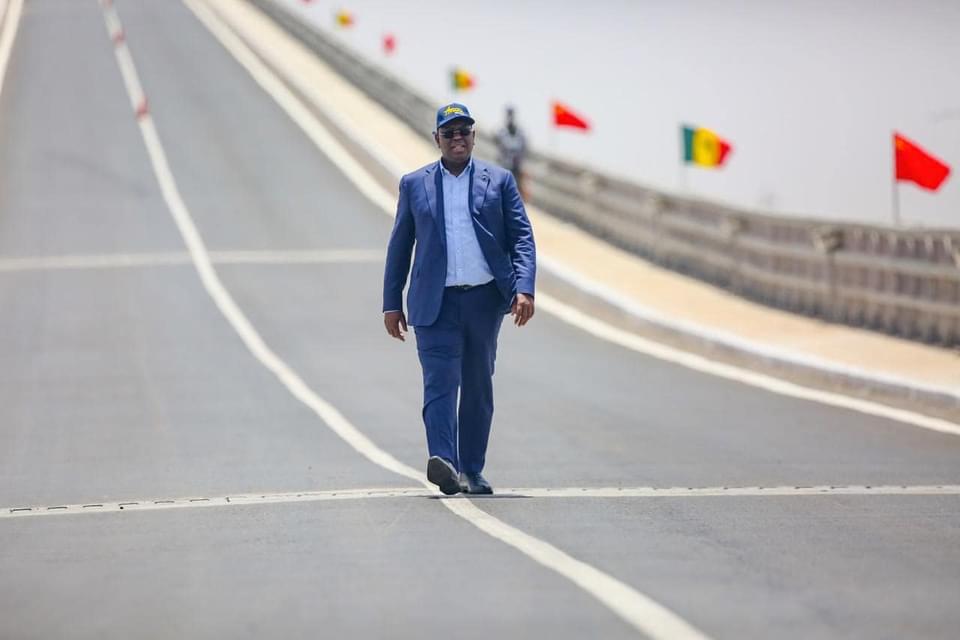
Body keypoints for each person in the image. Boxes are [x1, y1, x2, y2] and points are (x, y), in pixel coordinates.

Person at [382, 102, 536, 496]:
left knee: (478, 387)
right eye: (449, 133)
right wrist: (391, 302)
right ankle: (444, 462)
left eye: (464, 132)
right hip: (435, 304)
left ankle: (472, 468)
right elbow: (400, 246)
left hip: (484, 302)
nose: (457, 139)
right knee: (439, 383)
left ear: (473, 137)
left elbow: (522, 238)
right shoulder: (415, 184)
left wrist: (524, 288)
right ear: (436, 139)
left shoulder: (499, 181)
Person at [494, 106, 528, 197]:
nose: (510, 118)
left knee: (517, 191)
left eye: (511, 115)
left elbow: (524, 150)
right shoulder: (501, 133)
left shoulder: (520, 134)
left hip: (516, 167)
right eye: (508, 115)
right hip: (504, 166)